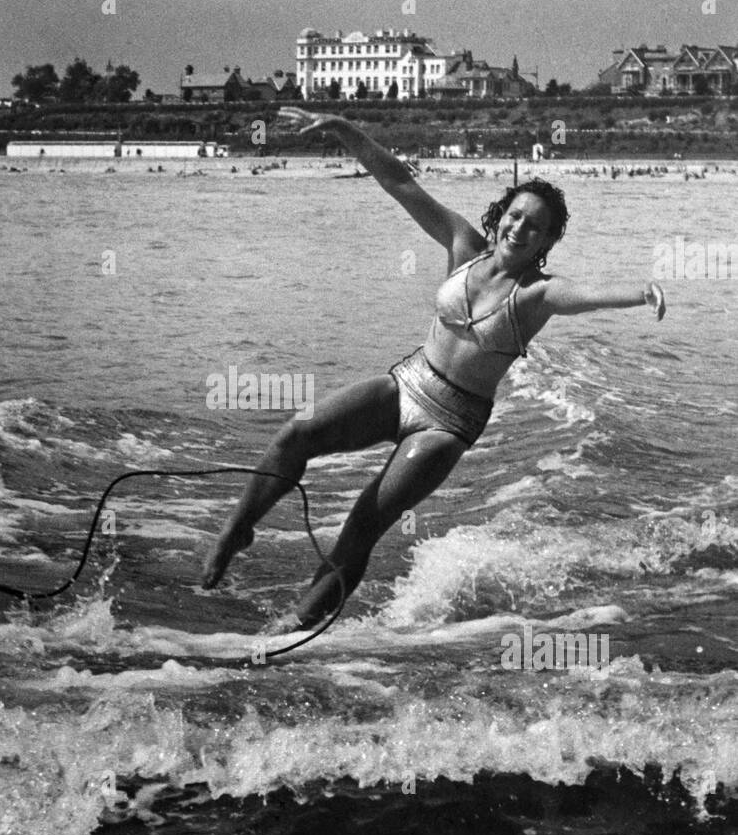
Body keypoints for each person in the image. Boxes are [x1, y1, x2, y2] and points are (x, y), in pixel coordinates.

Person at [202, 107, 666, 631]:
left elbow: (585, 295)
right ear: (501, 213)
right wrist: (341, 128)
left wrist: (639, 292)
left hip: (449, 423)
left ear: (546, 241)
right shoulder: (463, 246)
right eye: (515, 215)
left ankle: (297, 624)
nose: (520, 228)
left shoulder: (538, 293)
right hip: (407, 382)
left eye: (535, 227)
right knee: (297, 432)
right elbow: (400, 181)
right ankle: (236, 532)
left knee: (365, 520)